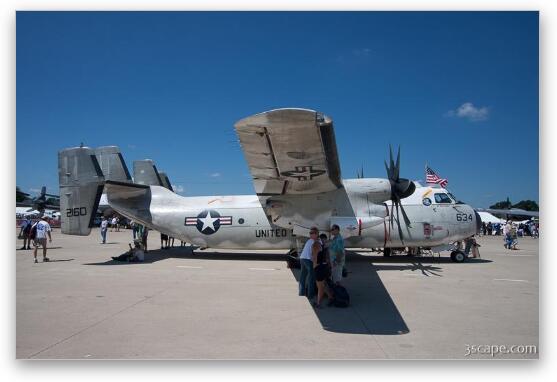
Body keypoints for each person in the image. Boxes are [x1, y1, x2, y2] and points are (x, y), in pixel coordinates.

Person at [313, 233, 334, 308]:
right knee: (324, 284)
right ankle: (331, 297)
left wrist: (314, 266)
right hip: (325, 267)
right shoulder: (326, 248)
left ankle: (318, 303)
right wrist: (330, 267)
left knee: (320, 287)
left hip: (319, 268)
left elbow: (314, 258)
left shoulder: (317, 246)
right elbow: (329, 259)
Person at [298, 227, 318, 300]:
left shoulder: (310, 241)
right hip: (308, 260)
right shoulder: (313, 241)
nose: (310, 234)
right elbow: (314, 253)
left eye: (312, 233)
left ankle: (301, 293)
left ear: (316, 234)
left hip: (302, 258)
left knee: (302, 277)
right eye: (310, 233)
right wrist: (315, 263)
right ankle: (310, 295)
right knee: (311, 278)